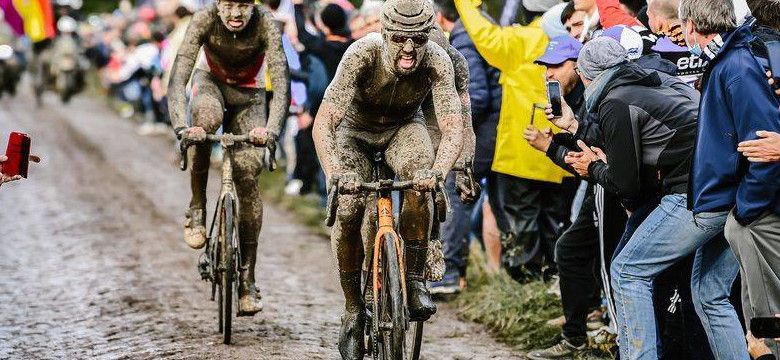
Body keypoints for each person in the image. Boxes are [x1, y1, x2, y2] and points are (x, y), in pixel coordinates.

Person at [565, 36, 748, 360]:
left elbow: (627, 185)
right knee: (710, 294)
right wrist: (580, 133)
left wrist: (593, 168)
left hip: (696, 194)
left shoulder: (614, 101)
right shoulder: (660, 80)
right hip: (736, 190)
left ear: (585, 75)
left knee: (627, 271)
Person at [313, 0, 463, 357]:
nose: (409, 49)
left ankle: (413, 280)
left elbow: (452, 127)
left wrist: (437, 174)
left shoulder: (437, 60)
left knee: (419, 181)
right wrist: (336, 173)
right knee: (349, 209)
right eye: (399, 38)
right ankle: (353, 311)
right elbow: (324, 124)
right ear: (383, 34)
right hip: (355, 132)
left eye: (418, 39)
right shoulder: (360, 55)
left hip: (402, 129)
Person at [167, 0, 291, 316]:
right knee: (202, 125)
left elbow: (281, 82)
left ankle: (247, 279)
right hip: (210, 84)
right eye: (228, 5)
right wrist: (182, 127)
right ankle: (197, 206)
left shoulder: (265, 23)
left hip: (250, 96)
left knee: (248, 176)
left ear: (254, 5)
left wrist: (273, 130)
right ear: (217, 4)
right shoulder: (203, 19)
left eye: (243, 6)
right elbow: (178, 78)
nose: (235, 14)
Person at [680, 0, 780, 357]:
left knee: (768, 326)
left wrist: (745, 211)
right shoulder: (737, 57)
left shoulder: (739, 63)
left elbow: (763, 148)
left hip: (758, 213)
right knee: (754, 317)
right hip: (749, 208)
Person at [453, 0, 574, 280]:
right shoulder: (571, 37)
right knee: (555, 222)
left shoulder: (524, 39)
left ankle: (527, 282)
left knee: (521, 225)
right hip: (560, 153)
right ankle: (554, 280)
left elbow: (485, 35)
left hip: (522, 152)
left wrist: (466, 4)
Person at [525, 35, 627, 360]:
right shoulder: (575, 95)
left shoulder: (597, 94)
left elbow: (590, 155)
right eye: (544, 66)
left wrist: (550, 147)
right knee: (571, 250)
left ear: (579, 66)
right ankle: (578, 334)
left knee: (614, 265)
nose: (548, 74)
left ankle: (620, 339)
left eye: (556, 65)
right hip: (603, 184)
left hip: (611, 187)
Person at [429, 0, 500, 294]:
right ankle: (488, 274)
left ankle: (449, 272)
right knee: (497, 202)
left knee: (454, 186)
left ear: (440, 17)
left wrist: (452, 123)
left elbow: (477, 94)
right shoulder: (477, 27)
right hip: (500, 124)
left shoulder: (463, 39)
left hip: (487, 127)